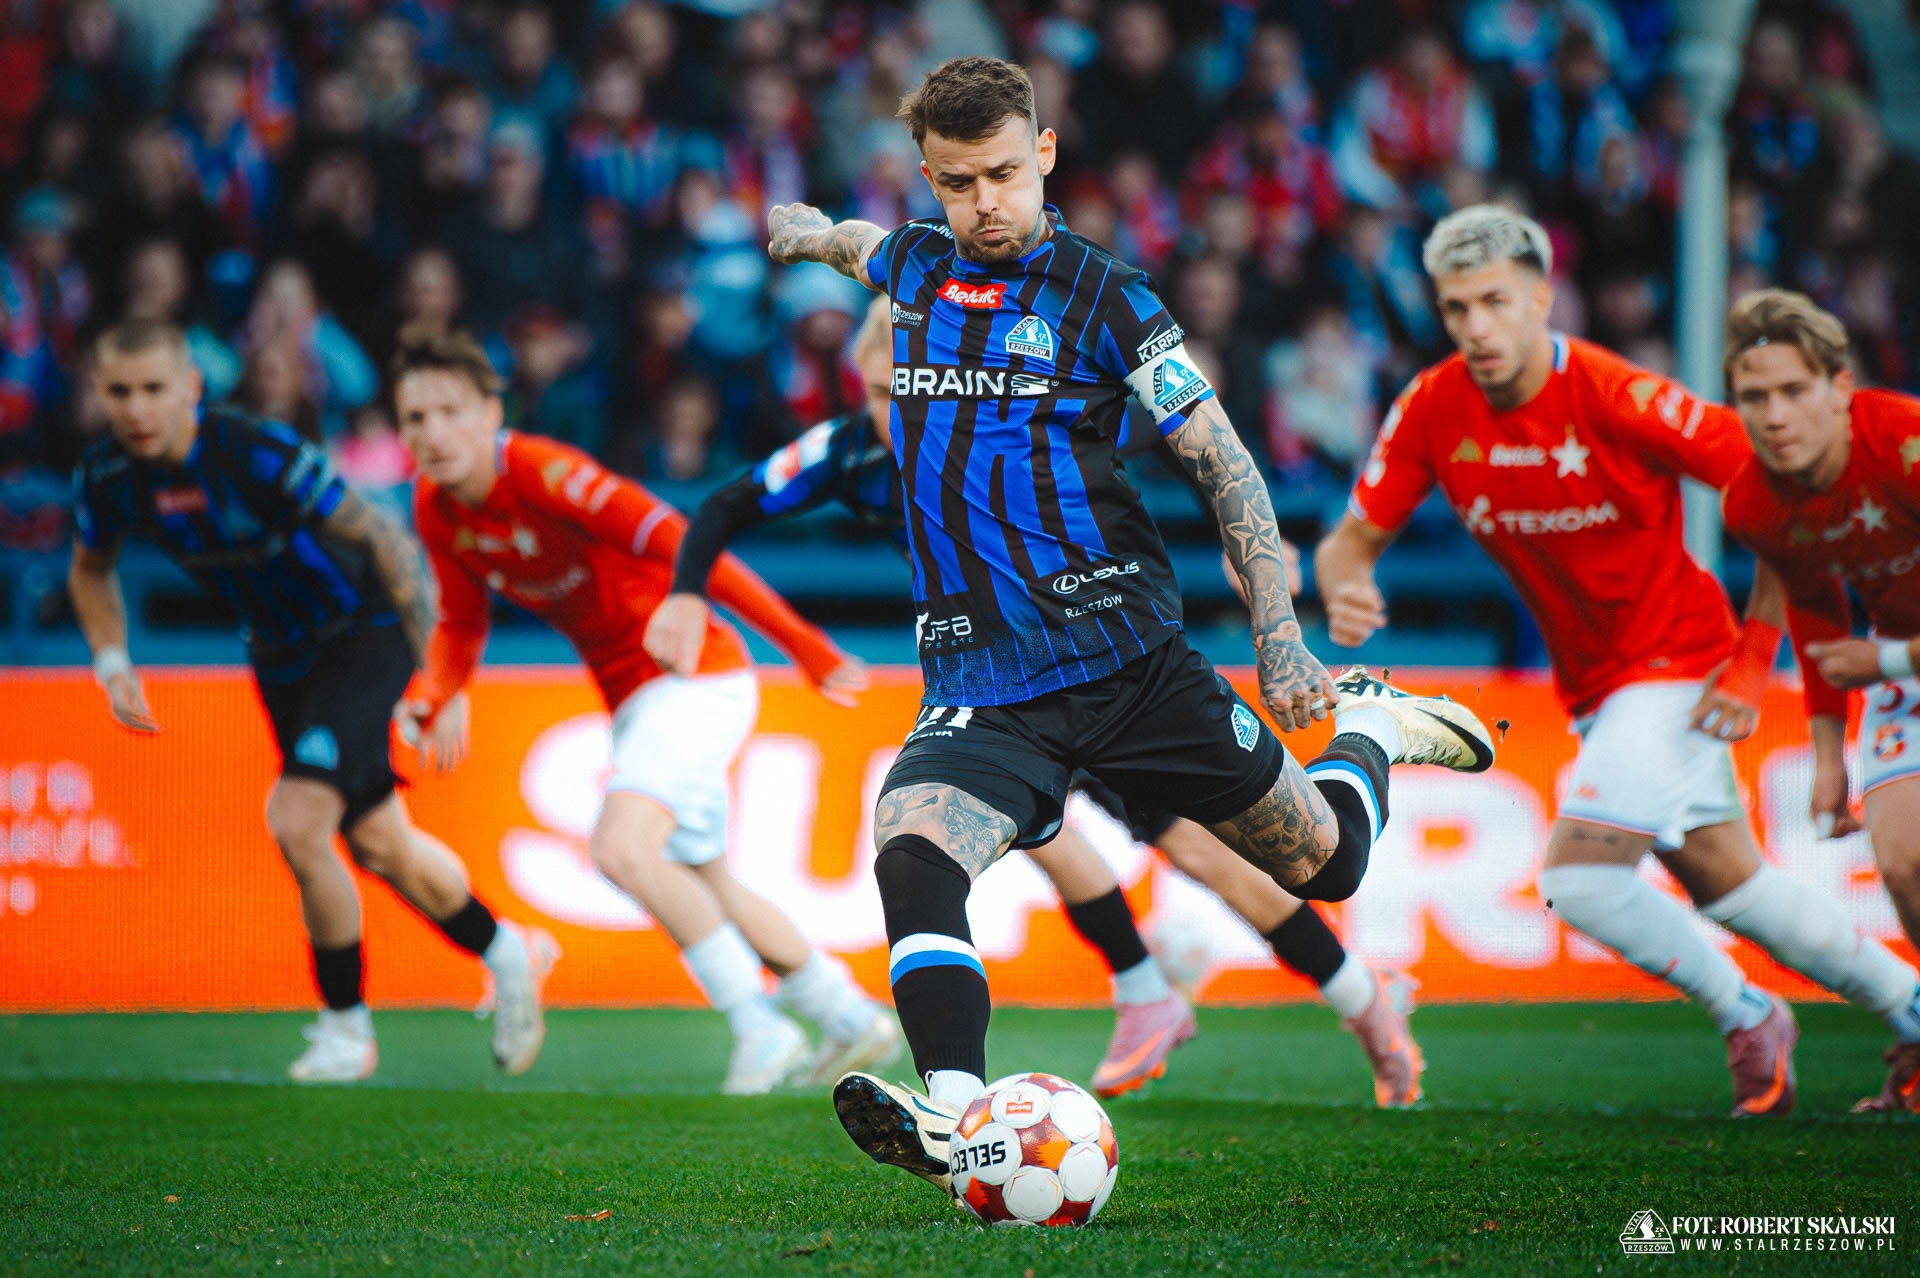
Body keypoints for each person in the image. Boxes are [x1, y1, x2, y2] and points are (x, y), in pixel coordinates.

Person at [762, 56, 1494, 1201]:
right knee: (911, 848)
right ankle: (956, 1113)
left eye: (1004, 174)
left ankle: (1374, 733)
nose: (984, 203)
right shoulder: (915, 264)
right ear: (930, 179)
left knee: (1329, 865)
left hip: (1131, 665)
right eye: (957, 183)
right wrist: (807, 233)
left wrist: (1281, 636)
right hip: (986, 683)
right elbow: (862, 245)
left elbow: (1225, 464)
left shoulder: (1108, 299)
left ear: (1045, 154)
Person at [651, 294, 1425, 1106]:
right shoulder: (848, 451)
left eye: (903, 391)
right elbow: (726, 504)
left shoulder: (1004, 418)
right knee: (1016, 832)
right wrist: (686, 593)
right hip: (995, 685)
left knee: (1216, 858)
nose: (891, 413)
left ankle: (1357, 1002)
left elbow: (1168, 435)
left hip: (1105, 664)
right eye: (877, 394)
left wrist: (1246, 547)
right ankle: (1138, 994)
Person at [1314, 205, 1920, 1116]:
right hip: (1598, 690)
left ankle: (1748, 1012)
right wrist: (1346, 583)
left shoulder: (1616, 393)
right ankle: (1910, 1011)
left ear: (1541, 299)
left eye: (1496, 302)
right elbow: (1349, 541)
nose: (1477, 327)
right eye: (1457, 309)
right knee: (1737, 888)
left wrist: (1752, 661)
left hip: (1680, 666)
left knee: (1579, 879)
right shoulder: (1434, 406)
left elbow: (1778, 494)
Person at [389, 328, 897, 1095]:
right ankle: (849, 1015)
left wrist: (805, 645)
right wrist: (432, 693)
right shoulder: (436, 508)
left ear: (492, 411)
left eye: (449, 411)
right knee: (706, 878)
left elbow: (680, 539)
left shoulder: (546, 473)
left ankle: (759, 1027)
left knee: (622, 849)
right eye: (414, 419)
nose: (432, 434)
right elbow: (460, 624)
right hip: (638, 699)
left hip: (695, 679)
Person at [68, 319, 554, 1084]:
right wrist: (110, 658)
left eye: (154, 389)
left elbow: (384, 540)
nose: (137, 408)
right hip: (279, 655)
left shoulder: (256, 453)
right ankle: (509, 950)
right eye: (119, 391)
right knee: (379, 845)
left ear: (191, 387)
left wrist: (441, 675)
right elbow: (90, 567)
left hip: (362, 632)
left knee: (296, 821)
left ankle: (345, 1030)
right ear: (99, 393)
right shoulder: (106, 475)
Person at [1718, 288, 1920, 1113]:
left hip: (1895, 657)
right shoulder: (1753, 500)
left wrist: (1888, 657)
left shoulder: (1905, 442)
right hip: (1898, 667)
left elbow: (1858, 648)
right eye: (1753, 396)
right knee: (1903, 862)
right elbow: (1815, 615)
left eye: (1793, 390)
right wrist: (1829, 754)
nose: (1774, 416)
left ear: (1840, 387)